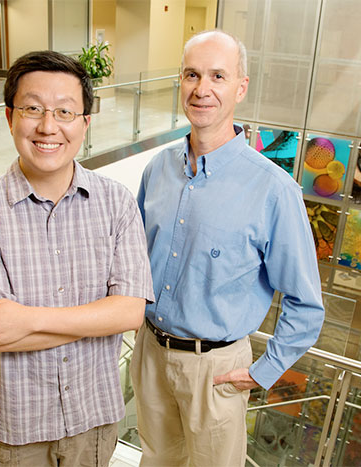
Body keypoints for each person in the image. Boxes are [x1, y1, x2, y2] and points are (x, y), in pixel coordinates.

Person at [132, 30, 325, 466]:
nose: (202, 89)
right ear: (180, 82)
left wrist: (264, 371)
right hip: (149, 353)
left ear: (240, 86)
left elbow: (306, 304)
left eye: (218, 76)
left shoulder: (274, 190)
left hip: (216, 369)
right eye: (192, 75)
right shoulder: (157, 169)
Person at [0, 50, 154, 467]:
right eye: (32, 109)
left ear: (85, 123)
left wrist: (27, 320)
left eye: (65, 111)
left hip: (92, 420)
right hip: (13, 427)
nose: (48, 126)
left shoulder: (117, 202)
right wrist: (97, 319)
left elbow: (130, 313)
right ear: (10, 117)